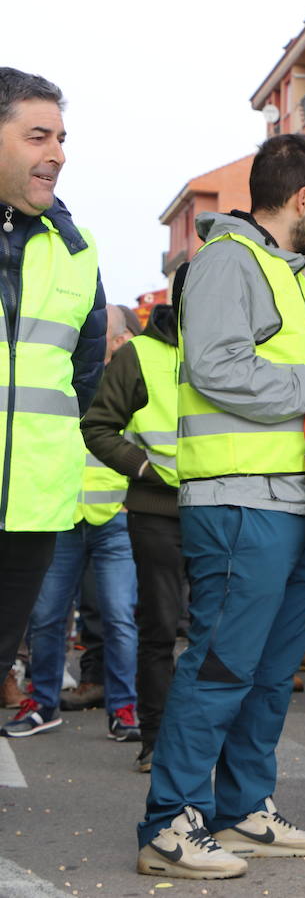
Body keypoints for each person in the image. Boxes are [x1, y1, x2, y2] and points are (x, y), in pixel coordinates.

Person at [135, 134, 305, 880]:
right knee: (222, 666)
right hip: (238, 503)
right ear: (301, 199)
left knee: (264, 672)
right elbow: (218, 366)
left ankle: (244, 808)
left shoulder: (286, 274)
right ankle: (170, 825)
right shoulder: (231, 259)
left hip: (286, 504)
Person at [0, 67, 106, 694]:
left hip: (34, 506)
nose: (58, 155)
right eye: (39, 136)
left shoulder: (79, 250)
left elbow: (85, 381)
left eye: (62, 138)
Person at [4, 308, 140, 742]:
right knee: (45, 616)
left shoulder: (128, 376)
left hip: (113, 517)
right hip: (60, 512)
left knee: (119, 617)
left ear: (114, 339)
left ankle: (124, 709)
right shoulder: (54, 372)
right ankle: (42, 703)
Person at [82, 293, 187, 772]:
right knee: (160, 628)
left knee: (219, 635)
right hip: (157, 511)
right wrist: (143, 468)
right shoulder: (139, 354)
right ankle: (155, 739)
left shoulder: (235, 347)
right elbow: (99, 427)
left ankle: (199, 743)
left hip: (225, 510)